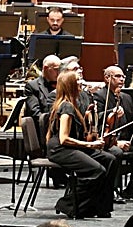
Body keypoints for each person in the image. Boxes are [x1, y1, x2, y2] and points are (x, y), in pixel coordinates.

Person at [45, 70, 115, 218]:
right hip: (60, 149)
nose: (81, 82)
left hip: (69, 146)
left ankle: (100, 207)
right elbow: (63, 138)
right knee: (97, 170)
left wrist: (88, 117)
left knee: (110, 160)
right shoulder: (67, 107)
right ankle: (68, 204)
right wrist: (89, 145)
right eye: (77, 80)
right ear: (69, 84)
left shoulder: (74, 105)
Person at [93, 65, 133, 202]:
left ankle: (132, 188)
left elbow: (132, 119)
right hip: (108, 141)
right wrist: (111, 113)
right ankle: (112, 190)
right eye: (117, 76)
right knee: (116, 153)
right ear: (107, 78)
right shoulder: (99, 96)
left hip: (126, 139)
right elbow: (97, 119)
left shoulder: (126, 97)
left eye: (123, 77)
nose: (121, 79)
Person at [25, 55, 61, 124]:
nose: (59, 73)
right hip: (43, 127)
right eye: (56, 69)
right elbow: (35, 113)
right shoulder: (32, 86)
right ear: (45, 68)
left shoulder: (61, 84)